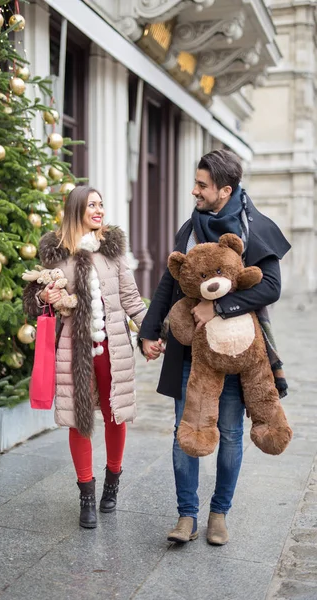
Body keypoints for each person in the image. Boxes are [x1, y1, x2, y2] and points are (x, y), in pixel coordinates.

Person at [139, 149, 291, 546]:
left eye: (202, 185)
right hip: (190, 353)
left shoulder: (254, 228)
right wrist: (150, 331)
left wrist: (219, 306)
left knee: (229, 433)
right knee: (184, 430)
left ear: (225, 189)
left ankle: (219, 512)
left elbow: (271, 286)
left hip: (236, 354)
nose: (194, 190)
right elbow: (167, 284)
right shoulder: (190, 228)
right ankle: (186, 514)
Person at [23, 185, 147, 529]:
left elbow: (131, 298)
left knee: (114, 414)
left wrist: (151, 332)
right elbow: (34, 301)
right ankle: (87, 497)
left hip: (112, 346)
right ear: (77, 209)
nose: (99, 210)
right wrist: (43, 296)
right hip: (73, 350)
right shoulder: (56, 252)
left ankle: (112, 483)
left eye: (102, 205)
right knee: (80, 419)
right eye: (92, 205)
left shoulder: (113, 250)